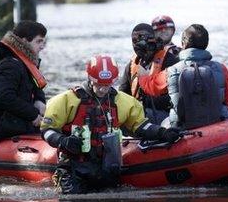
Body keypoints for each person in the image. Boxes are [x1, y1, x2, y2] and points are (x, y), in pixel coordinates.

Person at [41, 55, 180, 194]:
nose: (103, 89)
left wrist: (163, 132)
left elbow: (140, 126)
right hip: (74, 168)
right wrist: (63, 141)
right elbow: (47, 130)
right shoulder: (66, 100)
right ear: (90, 79)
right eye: (99, 85)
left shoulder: (124, 102)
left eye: (107, 85)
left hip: (106, 168)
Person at [166, 24, 228, 128]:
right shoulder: (221, 68)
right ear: (206, 44)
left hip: (182, 129)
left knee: (163, 121)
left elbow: (155, 90)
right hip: (218, 125)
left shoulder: (172, 70)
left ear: (183, 44)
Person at [0, 21, 48, 140]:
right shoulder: (11, 65)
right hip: (9, 127)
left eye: (43, 41)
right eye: (39, 41)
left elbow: (36, 87)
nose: (43, 46)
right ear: (24, 41)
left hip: (23, 122)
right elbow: (4, 97)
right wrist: (32, 115)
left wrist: (39, 100)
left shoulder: (27, 62)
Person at [119, 23, 180, 125]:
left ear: (152, 40)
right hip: (137, 114)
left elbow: (176, 97)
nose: (137, 44)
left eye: (141, 39)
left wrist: (146, 102)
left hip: (164, 115)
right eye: (134, 41)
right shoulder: (132, 64)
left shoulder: (169, 61)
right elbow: (122, 94)